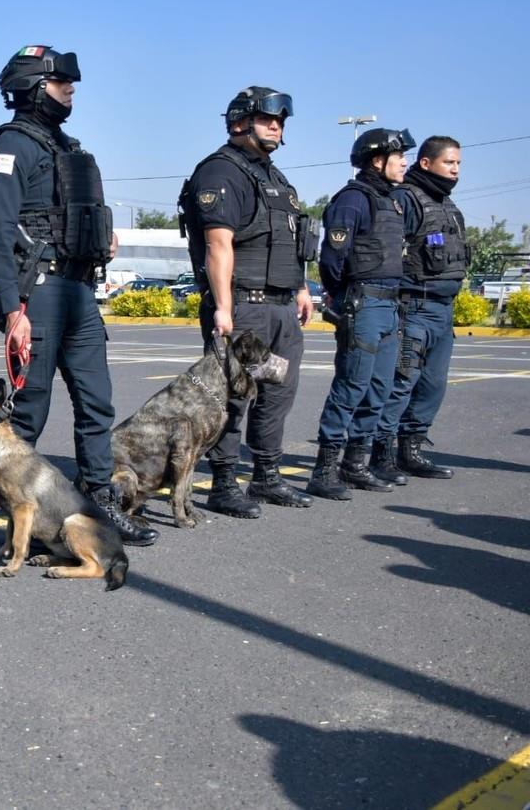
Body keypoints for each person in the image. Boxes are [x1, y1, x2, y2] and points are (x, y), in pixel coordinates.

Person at [0, 45, 157, 547]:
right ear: (34, 89)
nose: (70, 90)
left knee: (97, 404)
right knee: (29, 414)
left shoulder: (67, 148)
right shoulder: (7, 150)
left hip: (78, 292)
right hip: (39, 294)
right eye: (60, 83)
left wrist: (101, 241)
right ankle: (22, 519)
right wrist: (13, 310)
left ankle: (99, 505)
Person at [180, 87, 316, 519]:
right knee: (231, 397)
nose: (276, 126)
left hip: (280, 307)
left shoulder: (276, 179)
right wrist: (223, 307)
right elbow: (219, 246)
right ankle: (222, 483)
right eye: (267, 118)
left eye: (280, 121)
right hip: (244, 305)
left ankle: (267, 476)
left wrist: (300, 288)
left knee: (277, 394)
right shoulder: (220, 172)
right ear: (240, 121)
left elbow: (292, 243)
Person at [306, 128, 415, 500]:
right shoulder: (352, 200)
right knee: (351, 386)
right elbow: (332, 259)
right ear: (377, 160)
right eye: (399, 156)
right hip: (363, 303)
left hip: (389, 305)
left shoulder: (393, 200)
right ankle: (324, 470)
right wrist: (342, 297)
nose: (404, 163)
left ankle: (355, 464)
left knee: (379, 388)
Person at [370, 137, 466, 482]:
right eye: (449, 163)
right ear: (425, 163)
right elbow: (386, 254)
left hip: (443, 309)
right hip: (414, 307)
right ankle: (380, 454)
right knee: (401, 382)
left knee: (432, 385)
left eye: (458, 164)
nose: (455, 170)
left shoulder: (447, 205)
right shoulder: (405, 199)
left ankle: (410, 449)